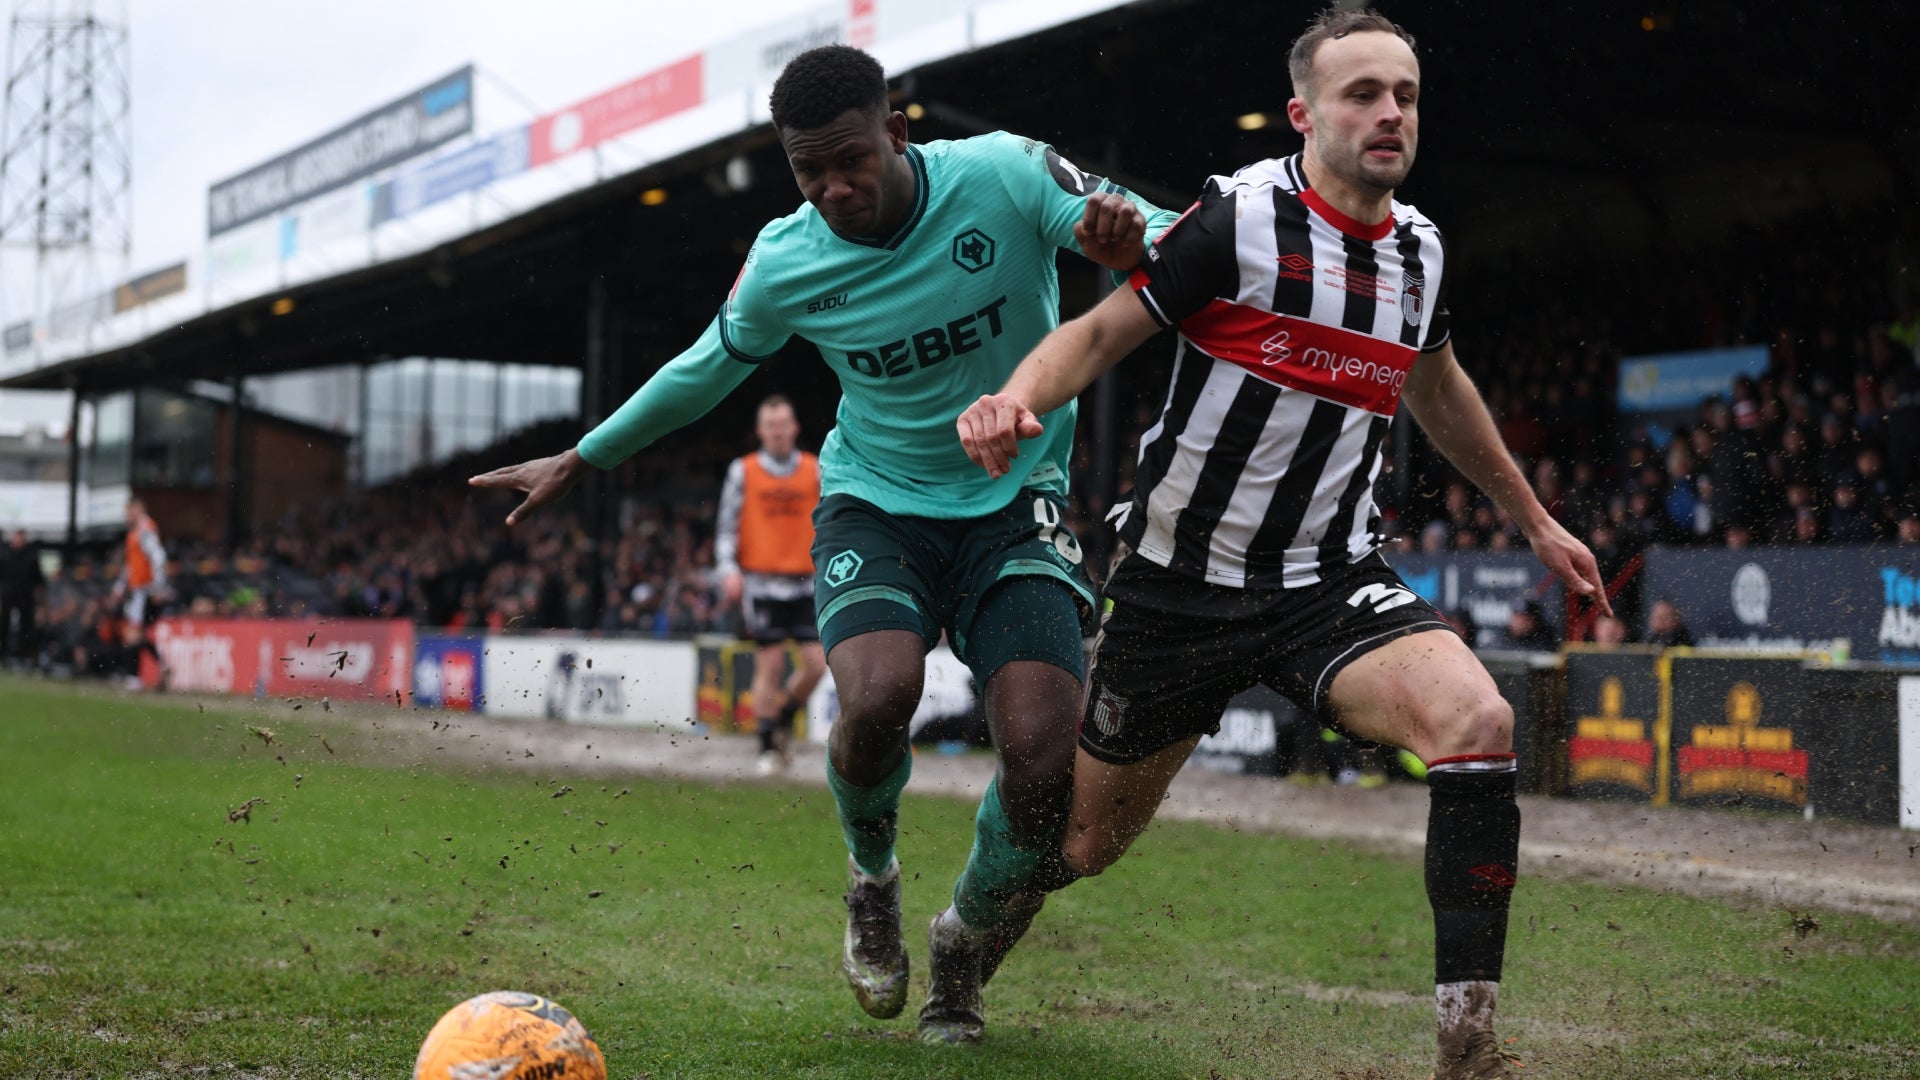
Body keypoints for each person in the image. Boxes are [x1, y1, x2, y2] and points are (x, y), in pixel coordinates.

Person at [470, 44, 1177, 1043]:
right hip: (875, 504)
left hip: (1016, 501)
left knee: (1042, 757)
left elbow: (1165, 241)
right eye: (811, 172)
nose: (835, 188)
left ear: (897, 129)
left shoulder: (1005, 174)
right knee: (879, 693)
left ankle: (963, 946)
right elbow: (704, 369)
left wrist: (1126, 237)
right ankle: (871, 876)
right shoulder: (787, 257)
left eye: (851, 160)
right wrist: (586, 455)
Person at [956, 9, 1608, 1077]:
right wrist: (1010, 401)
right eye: (1363, 94)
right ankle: (967, 937)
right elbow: (1097, 333)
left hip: (1327, 581)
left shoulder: (1421, 251)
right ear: (1304, 114)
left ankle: (1469, 1047)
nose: (1389, 112)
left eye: (1403, 93)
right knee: (1079, 845)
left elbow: (1437, 388)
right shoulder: (1236, 223)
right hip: (1176, 590)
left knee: (1477, 717)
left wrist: (1533, 519)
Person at [715, 394, 829, 776]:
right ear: (760, 431)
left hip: (805, 581)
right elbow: (726, 526)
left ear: (794, 428)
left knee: (818, 663)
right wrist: (727, 569)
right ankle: (767, 747)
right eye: (771, 426)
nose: (778, 433)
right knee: (772, 663)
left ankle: (782, 718)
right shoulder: (743, 471)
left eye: (783, 425)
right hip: (760, 582)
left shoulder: (815, 469)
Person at [111, 499, 168, 626]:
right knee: (133, 622)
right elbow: (131, 564)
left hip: (146, 587)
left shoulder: (145, 530)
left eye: (130, 514)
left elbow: (158, 557)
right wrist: (119, 587)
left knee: (139, 626)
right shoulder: (134, 532)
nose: (127, 518)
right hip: (137, 586)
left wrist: (158, 586)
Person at [0, 529, 44, 667]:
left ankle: (27, 657)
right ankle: (3, 656)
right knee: (3, 626)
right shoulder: (4, 554)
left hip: (26, 597)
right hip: (7, 596)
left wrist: (41, 604)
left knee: (27, 628)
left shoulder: (31, 555)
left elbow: (38, 580)